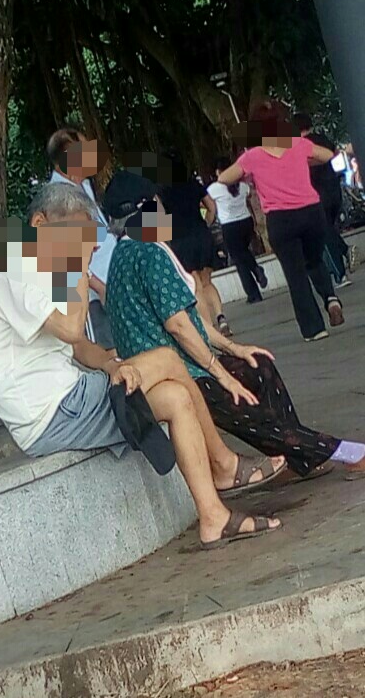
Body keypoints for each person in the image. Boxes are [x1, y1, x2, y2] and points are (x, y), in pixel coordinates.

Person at [0, 181, 282, 550]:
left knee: (176, 398)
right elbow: (71, 329)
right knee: (167, 358)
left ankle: (213, 517)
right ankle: (224, 465)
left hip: (67, 401)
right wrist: (77, 266)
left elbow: (77, 346)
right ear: (40, 224)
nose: (88, 245)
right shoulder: (12, 264)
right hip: (51, 412)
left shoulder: (38, 266)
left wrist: (111, 364)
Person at [104, 169, 365, 482]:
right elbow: (178, 326)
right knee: (252, 410)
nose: (162, 209)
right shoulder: (146, 252)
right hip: (182, 374)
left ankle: (300, 458)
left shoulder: (126, 252)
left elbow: (187, 319)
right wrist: (222, 374)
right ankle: (346, 451)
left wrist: (233, 348)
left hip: (184, 365)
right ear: (145, 208)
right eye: (157, 203)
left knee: (258, 364)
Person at [218, 100, 343, 342]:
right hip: (311, 212)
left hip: (281, 219)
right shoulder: (297, 143)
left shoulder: (252, 156)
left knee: (295, 275)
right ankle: (331, 298)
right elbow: (327, 155)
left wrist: (248, 176)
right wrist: (304, 162)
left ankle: (314, 329)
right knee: (314, 260)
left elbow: (224, 178)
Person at [46, 127, 116, 349]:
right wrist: (99, 287)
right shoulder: (59, 198)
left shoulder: (83, 185)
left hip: (111, 282)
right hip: (94, 296)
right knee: (108, 353)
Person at [161, 152, 232, 337]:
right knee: (207, 281)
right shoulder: (193, 184)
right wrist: (206, 223)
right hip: (202, 235)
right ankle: (221, 317)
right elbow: (211, 207)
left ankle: (210, 329)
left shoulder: (161, 190)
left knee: (195, 285)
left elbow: (159, 218)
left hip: (180, 240)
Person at [293, 113, 356, 288]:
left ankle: (340, 273)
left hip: (317, 194)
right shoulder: (323, 139)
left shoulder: (300, 146)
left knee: (325, 234)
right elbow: (337, 157)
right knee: (328, 228)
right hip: (334, 190)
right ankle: (345, 250)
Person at [207, 157, 268, 304]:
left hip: (230, 226)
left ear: (218, 172)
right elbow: (249, 195)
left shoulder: (214, 188)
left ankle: (255, 274)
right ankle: (254, 290)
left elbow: (207, 204)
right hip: (246, 222)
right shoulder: (243, 186)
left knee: (240, 257)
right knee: (241, 256)